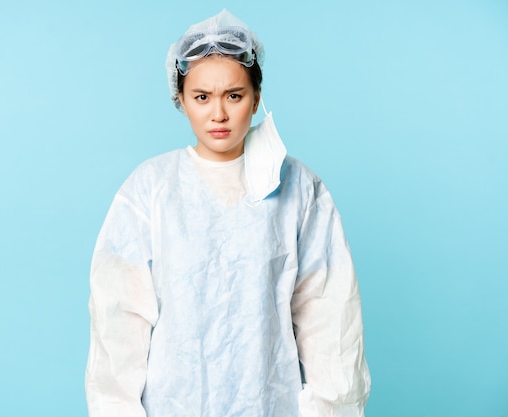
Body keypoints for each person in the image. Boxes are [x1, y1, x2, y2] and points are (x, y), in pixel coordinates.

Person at [85, 9, 370, 417]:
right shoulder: (150, 190)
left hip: (270, 405)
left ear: (256, 99)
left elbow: (331, 317)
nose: (218, 114)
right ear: (180, 100)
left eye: (233, 95)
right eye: (202, 97)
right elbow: (118, 323)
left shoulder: (299, 190)